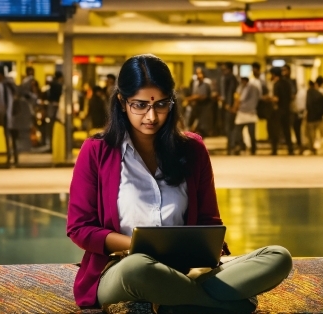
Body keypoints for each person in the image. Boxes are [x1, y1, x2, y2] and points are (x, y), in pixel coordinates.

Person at [67, 54, 292, 313]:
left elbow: (209, 220)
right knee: (138, 267)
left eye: (161, 104)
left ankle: (173, 302)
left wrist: (208, 250)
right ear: (121, 102)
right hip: (121, 267)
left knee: (277, 257)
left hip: (188, 269)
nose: (151, 116)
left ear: (172, 102)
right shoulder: (96, 151)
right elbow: (80, 228)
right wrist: (136, 245)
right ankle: (224, 305)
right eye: (139, 105)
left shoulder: (192, 149)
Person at [0, 64, 20, 166]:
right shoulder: (11, 83)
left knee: (7, 137)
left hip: (7, 115)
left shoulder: (1, 85)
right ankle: (16, 158)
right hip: (14, 114)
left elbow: (2, 103)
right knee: (14, 137)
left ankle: (9, 158)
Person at [228, 77, 260, 155]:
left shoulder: (244, 88)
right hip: (251, 112)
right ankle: (253, 149)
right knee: (251, 133)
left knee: (238, 131)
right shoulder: (255, 88)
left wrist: (234, 108)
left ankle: (242, 147)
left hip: (243, 112)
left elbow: (239, 99)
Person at [269, 67, 294, 155]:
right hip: (287, 109)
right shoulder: (287, 83)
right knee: (287, 131)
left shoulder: (277, 84)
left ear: (274, 74)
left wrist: (269, 99)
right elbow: (291, 97)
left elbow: (276, 99)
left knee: (275, 131)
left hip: (279, 110)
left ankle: (274, 150)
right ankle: (290, 149)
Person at [218, 62, 240, 155]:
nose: (223, 70)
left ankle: (232, 146)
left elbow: (231, 91)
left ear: (229, 69)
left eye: (225, 69)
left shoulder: (231, 78)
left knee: (230, 127)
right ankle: (231, 145)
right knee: (228, 127)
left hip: (229, 106)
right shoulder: (224, 77)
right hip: (224, 105)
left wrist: (229, 105)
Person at [282, 65, 303, 153]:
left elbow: (294, 94)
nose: (284, 72)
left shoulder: (292, 81)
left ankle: (298, 145)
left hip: (293, 108)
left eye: (285, 70)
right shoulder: (282, 81)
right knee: (287, 129)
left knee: (296, 127)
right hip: (285, 108)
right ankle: (290, 146)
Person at [186, 68, 212, 137]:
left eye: (200, 73)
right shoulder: (195, 83)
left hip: (204, 108)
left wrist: (192, 98)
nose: (198, 75)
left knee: (202, 127)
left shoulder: (206, 84)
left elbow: (203, 96)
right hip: (196, 108)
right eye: (197, 73)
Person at [305, 81, 323, 155]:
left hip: (311, 117)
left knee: (311, 134)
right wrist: (322, 113)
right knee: (320, 134)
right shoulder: (320, 94)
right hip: (319, 117)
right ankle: (320, 148)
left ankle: (312, 148)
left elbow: (308, 105)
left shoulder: (309, 93)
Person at [46, 71, 64, 150]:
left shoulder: (51, 84)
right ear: (60, 77)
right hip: (57, 108)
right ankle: (56, 147)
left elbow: (49, 96)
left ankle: (51, 146)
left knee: (51, 128)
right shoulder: (59, 85)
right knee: (57, 127)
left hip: (51, 107)